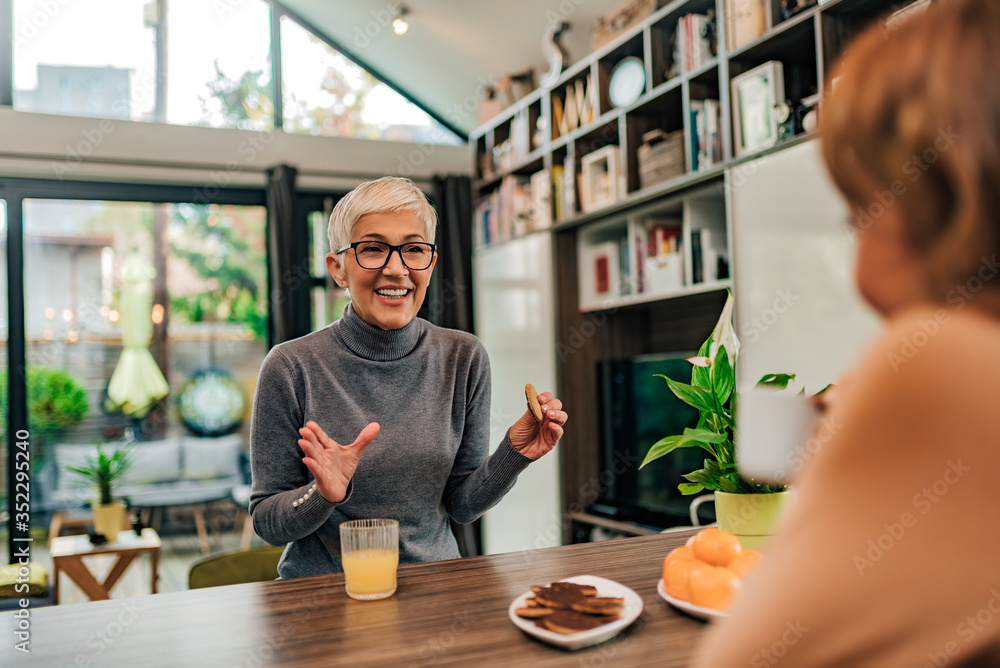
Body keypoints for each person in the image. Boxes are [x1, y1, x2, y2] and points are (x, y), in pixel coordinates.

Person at [693, 0, 1000, 665]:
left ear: (952, 196)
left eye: (861, 213)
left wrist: (838, 472)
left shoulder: (943, 362)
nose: (858, 268)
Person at [248, 176, 567, 579]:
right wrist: (322, 494)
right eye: (373, 249)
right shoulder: (290, 366)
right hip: (323, 598)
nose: (396, 269)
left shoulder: (463, 357)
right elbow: (266, 522)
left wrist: (514, 454)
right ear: (338, 269)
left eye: (414, 249)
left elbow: (461, 505)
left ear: (430, 264)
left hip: (433, 593)